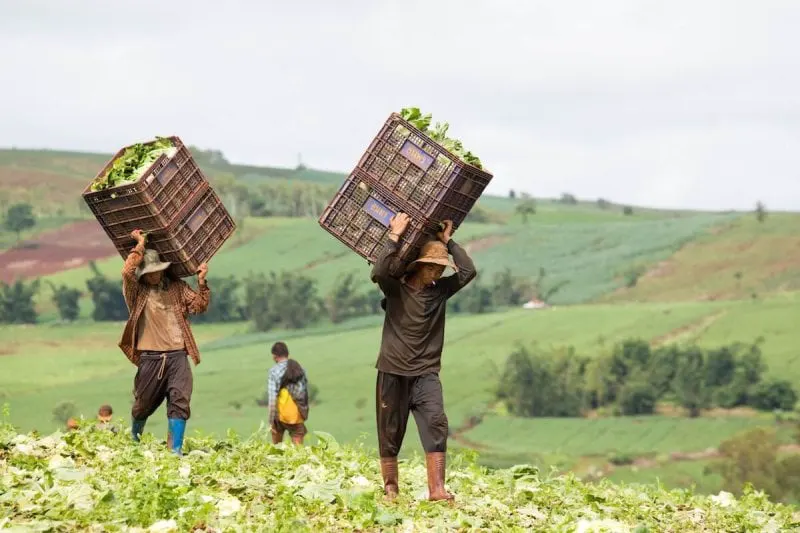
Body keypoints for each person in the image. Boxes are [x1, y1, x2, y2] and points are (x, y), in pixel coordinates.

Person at [370, 213, 477, 502]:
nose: (438, 274)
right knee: (390, 429)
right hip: (392, 370)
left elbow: (468, 272)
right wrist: (394, 236)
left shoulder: (440, 292)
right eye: (434, 268)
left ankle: (437, 489)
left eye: (441, 269)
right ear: (421, 266)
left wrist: (448, 242)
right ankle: (391, 487)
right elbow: (380, 272)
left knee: (436, 422)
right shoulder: (396, 289)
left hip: (426, 374)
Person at [119, 229, 211, 455]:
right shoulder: (137, 292)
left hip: (178, 355)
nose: (155, 276)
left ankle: (175, 451)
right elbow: (127, 271)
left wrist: (201, 282)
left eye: (157, 271)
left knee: (180, 401)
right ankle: (134, 440)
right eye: (150, 273)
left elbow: (199, 306)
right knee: (143, 405)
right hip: (150, 357)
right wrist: (140, 244)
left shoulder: (177, 288)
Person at [266, 342, 310, 445]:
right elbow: (304, 393)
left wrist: (271, 421)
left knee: (276, 448)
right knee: (298, 449)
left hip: (280, 415)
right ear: (287, 354)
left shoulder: (273, 372)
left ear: (274, 356)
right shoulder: (300, 369)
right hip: (296, 414)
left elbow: (272, 399)